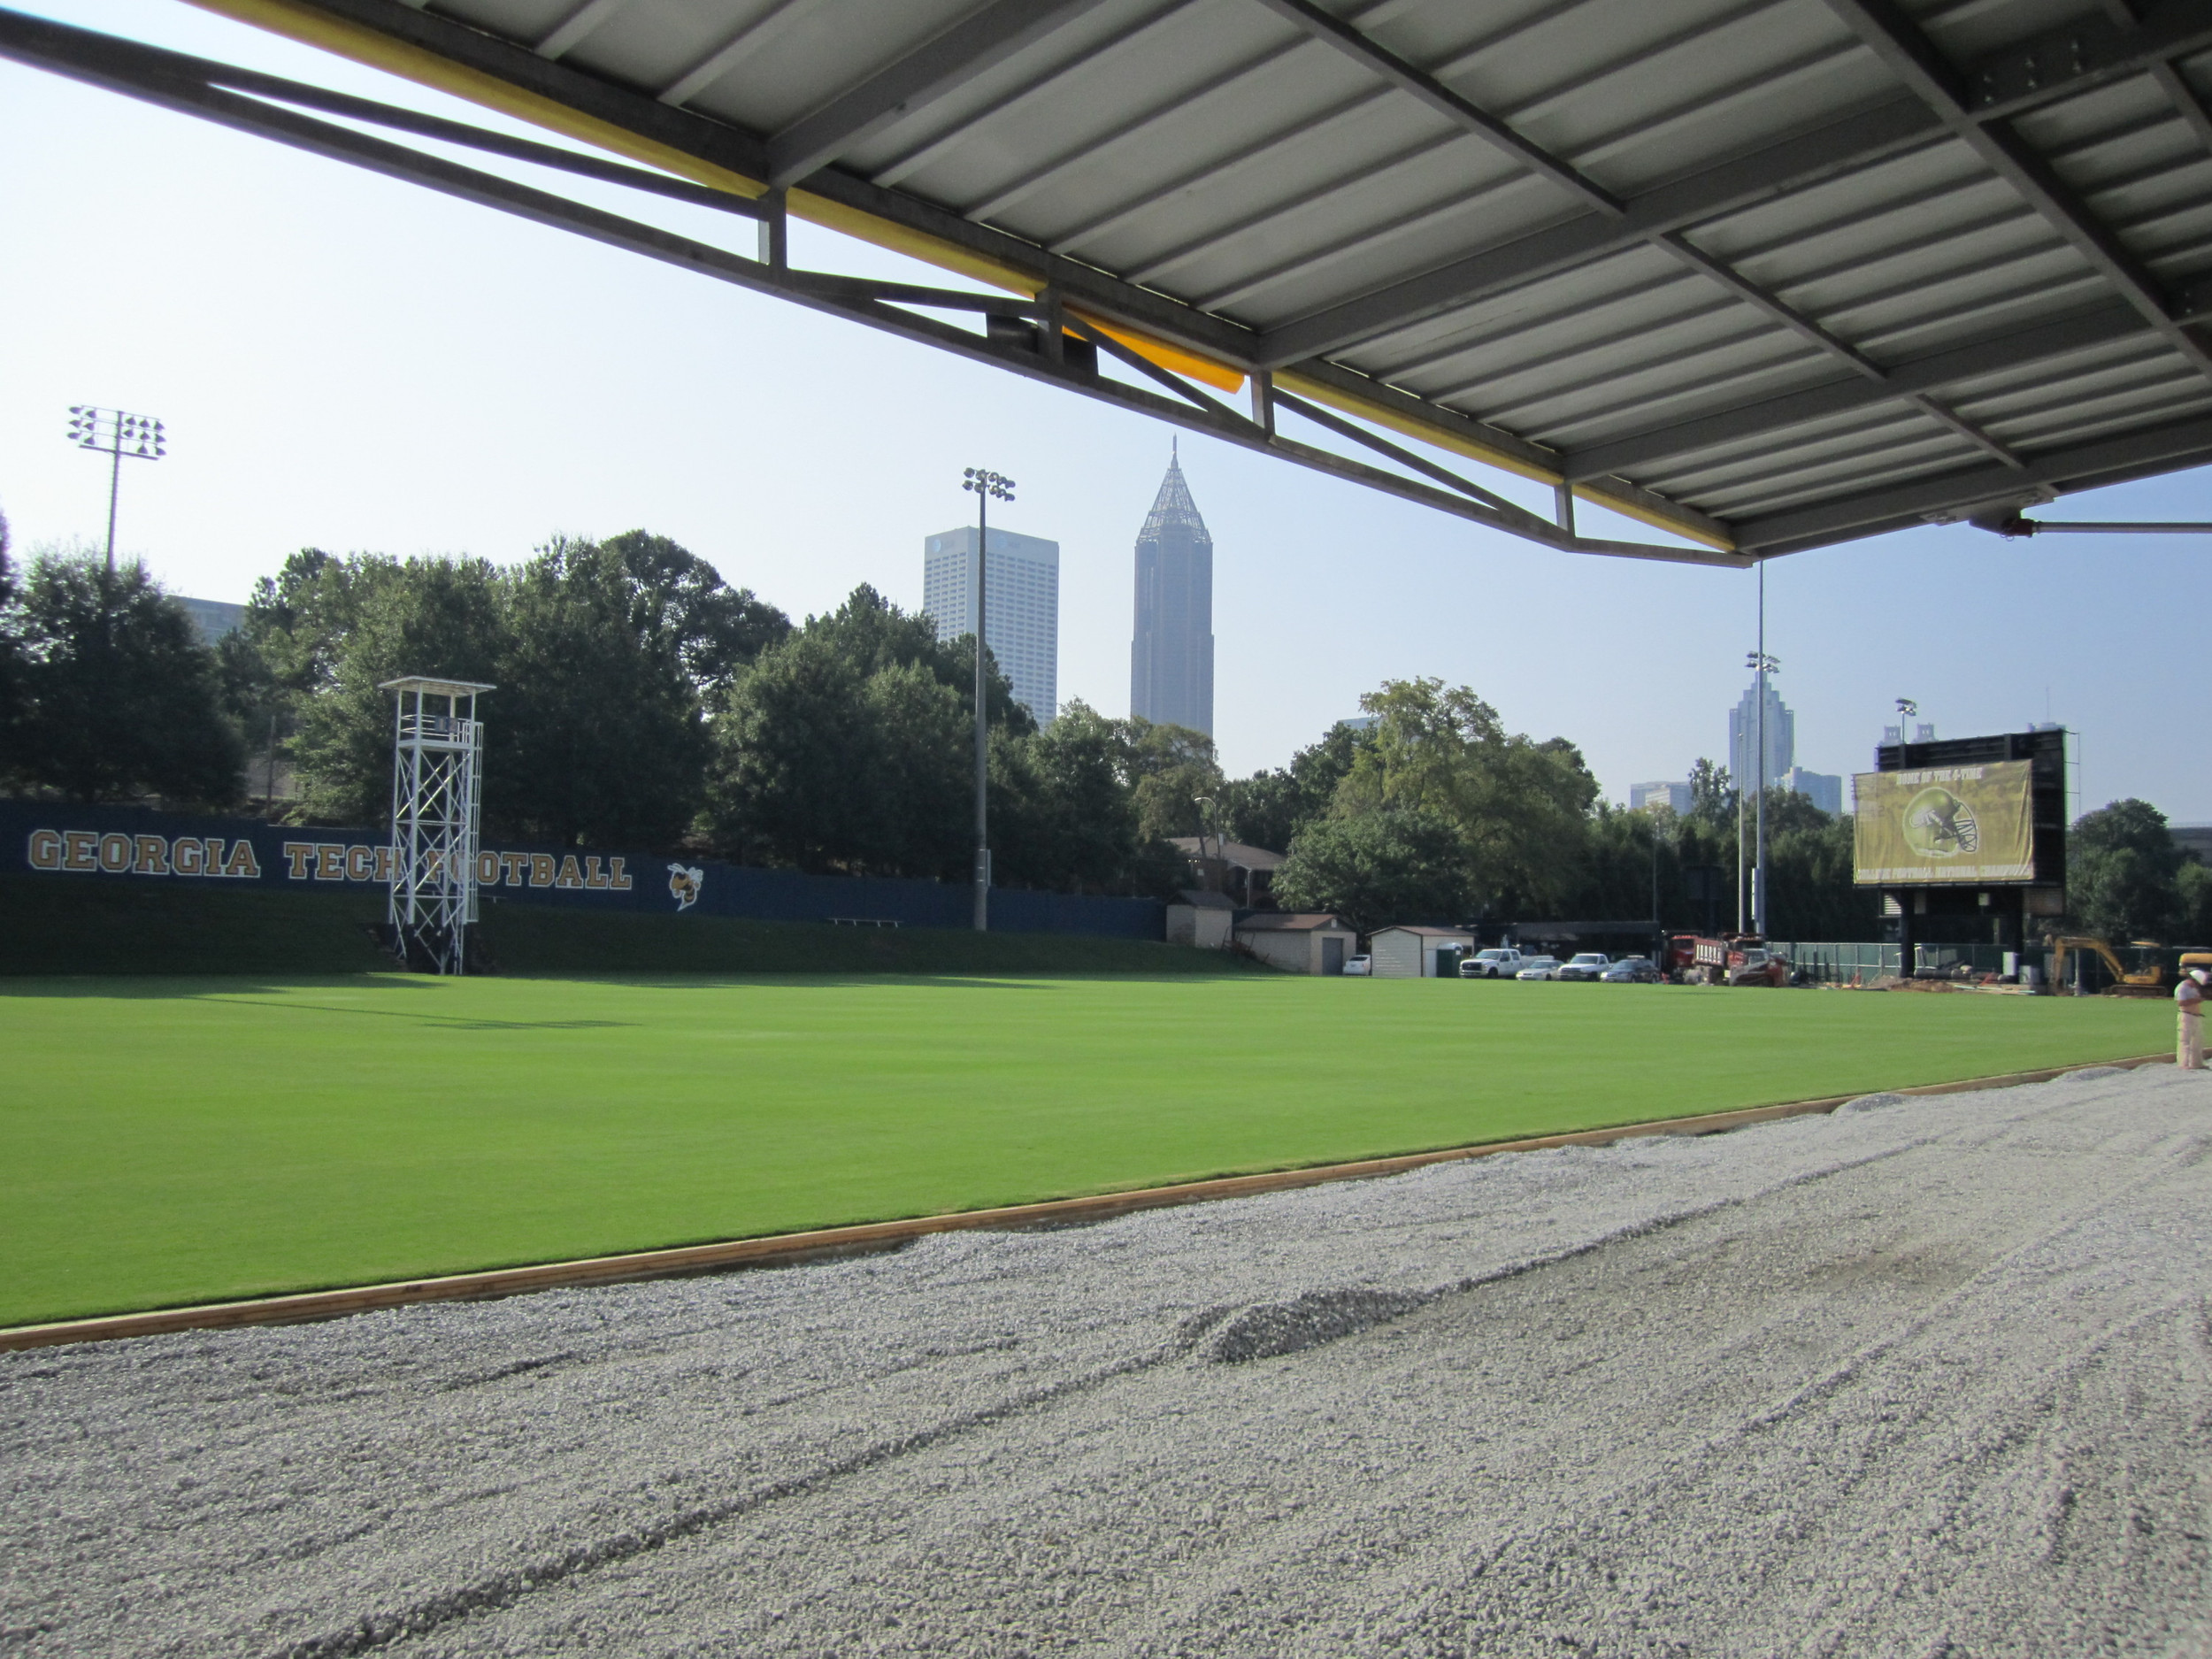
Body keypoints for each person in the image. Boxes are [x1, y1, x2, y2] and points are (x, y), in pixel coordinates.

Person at [2177, 967, 2208, 1070]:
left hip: (2196, 1016)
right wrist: (2196, 1000)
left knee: (2197, 1041)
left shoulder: (2193, 988)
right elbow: (2180, 1002)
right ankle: (2184, 1064)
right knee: (2185, 1040)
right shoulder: (2182, 988)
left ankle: (2197, 1063)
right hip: (2186, 1015)